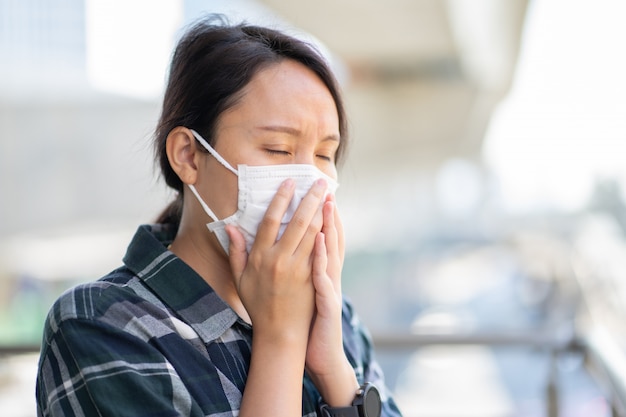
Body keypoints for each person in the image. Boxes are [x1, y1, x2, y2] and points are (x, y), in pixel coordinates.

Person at [36, 15, 403, 417]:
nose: (310, 182)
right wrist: (280, 340)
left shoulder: (336, 318)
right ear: (188, 156)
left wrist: (336, 374)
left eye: (323, 156)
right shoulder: (102, 325)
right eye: (278, 149)